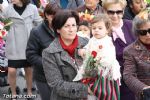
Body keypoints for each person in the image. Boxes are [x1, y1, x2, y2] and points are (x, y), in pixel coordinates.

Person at [42, 10, 90, 100]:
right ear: (58, 29)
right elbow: (56, 84)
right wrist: (86, 90)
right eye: (66, 26)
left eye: (73, 25)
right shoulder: (49, 53)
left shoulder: (86, 43)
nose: (71, 30)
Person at [0, 0, 42, 99]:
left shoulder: (33, 8)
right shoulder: (7, 9)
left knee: (28, 69)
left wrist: (37, 39)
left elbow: (38, 23)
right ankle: (13, 93)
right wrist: (4, 36)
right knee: (11, 70)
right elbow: (6, 26)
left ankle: (29, 92)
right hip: (13, 44)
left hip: (28, 43)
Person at [75, 14, 121, 100]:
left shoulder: (107, 42)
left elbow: (108, 59)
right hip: (92, 67)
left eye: (100, 28)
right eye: (94, 28)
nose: (96, 30)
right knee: (90, 92)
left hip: (104, 72)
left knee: (105, 92)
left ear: (107, 30)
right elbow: (88, 48)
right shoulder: (93, 40)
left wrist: (95, 58)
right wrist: (83, 51)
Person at [102, 0, 136, 100]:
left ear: (123, 11)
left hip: (136, 80)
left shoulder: (132, 25)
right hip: (114, 83)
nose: (115, 15)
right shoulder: (100, 29)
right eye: (111, 12)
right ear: (104, 11)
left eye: (119, 12)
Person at [26, 3, 60, 100]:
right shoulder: (36, 32)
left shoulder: (64, 28)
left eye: (57, 16)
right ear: (46, 15)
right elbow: (30, 55)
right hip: (43, 76)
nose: (55, 19)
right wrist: (48, 63)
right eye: (52, 16)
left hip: (62, 76)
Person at [123, 8, 150, 100]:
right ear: (137, 33)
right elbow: (128, 76)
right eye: (143, 32)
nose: (148, 35)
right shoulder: (130, 51)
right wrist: (145, 88)